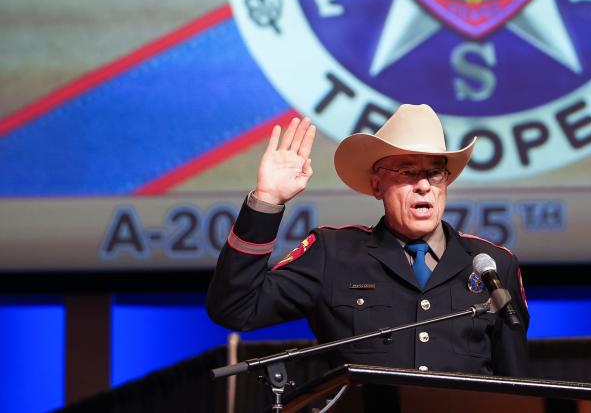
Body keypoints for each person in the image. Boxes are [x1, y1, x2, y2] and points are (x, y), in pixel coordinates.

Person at [206, 103, 529, 376]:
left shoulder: (491, 264)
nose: (423, 186)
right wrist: (267, 201)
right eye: (407, 171)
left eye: (434, 173)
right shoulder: (332, 255)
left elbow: (517, 386)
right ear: (377, 186)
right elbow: (235, 309)